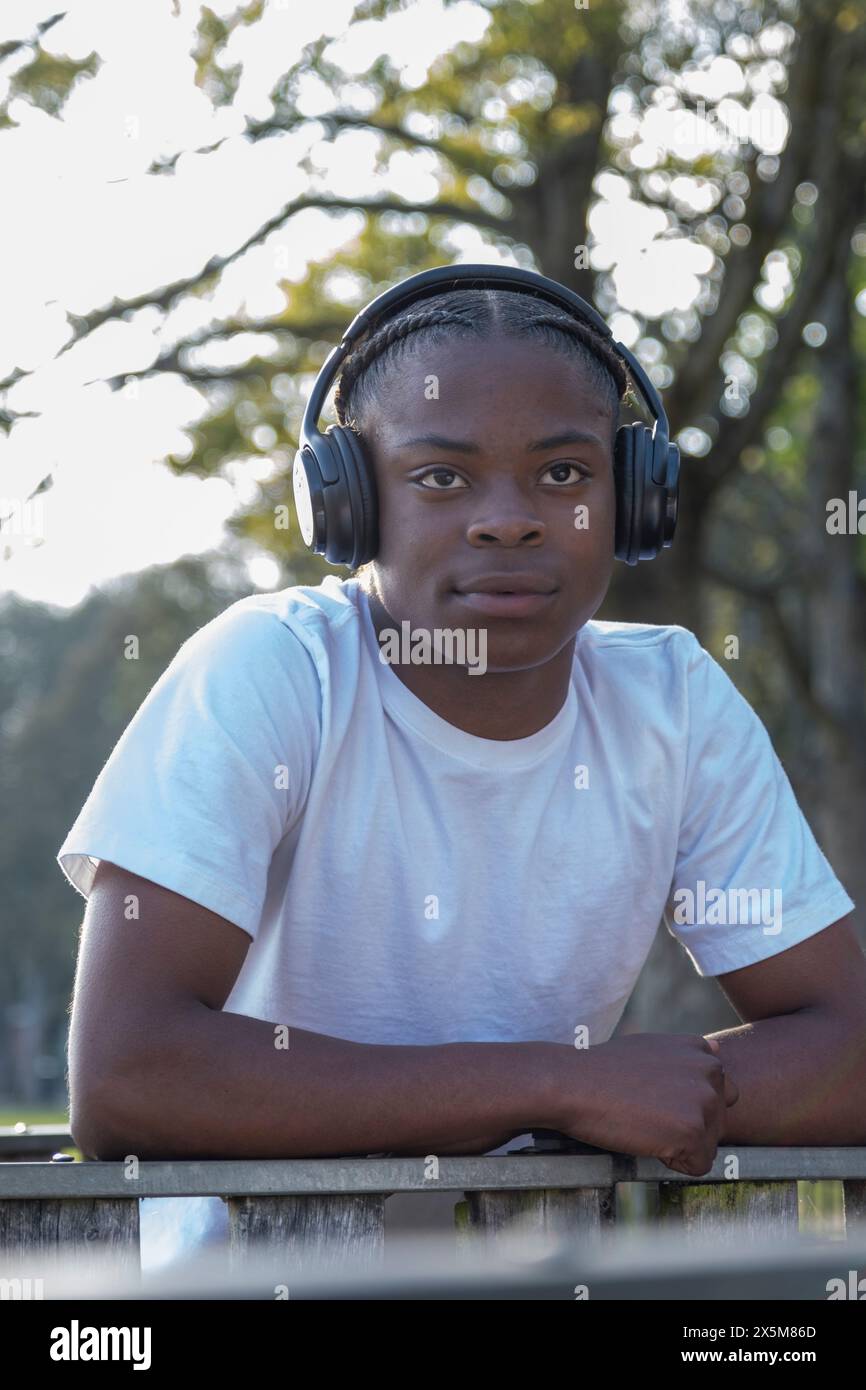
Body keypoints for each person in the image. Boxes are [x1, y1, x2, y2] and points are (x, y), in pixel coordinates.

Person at [58, 272, 863, 1273]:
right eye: (440, 477)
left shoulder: (674, 702)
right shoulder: (272, 671)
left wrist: (629, 1092)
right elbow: (128, 1077)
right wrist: (553, 1087)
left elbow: (850, 1042)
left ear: (634, 497)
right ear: (346, 506)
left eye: (564, 475)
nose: (508, 520)